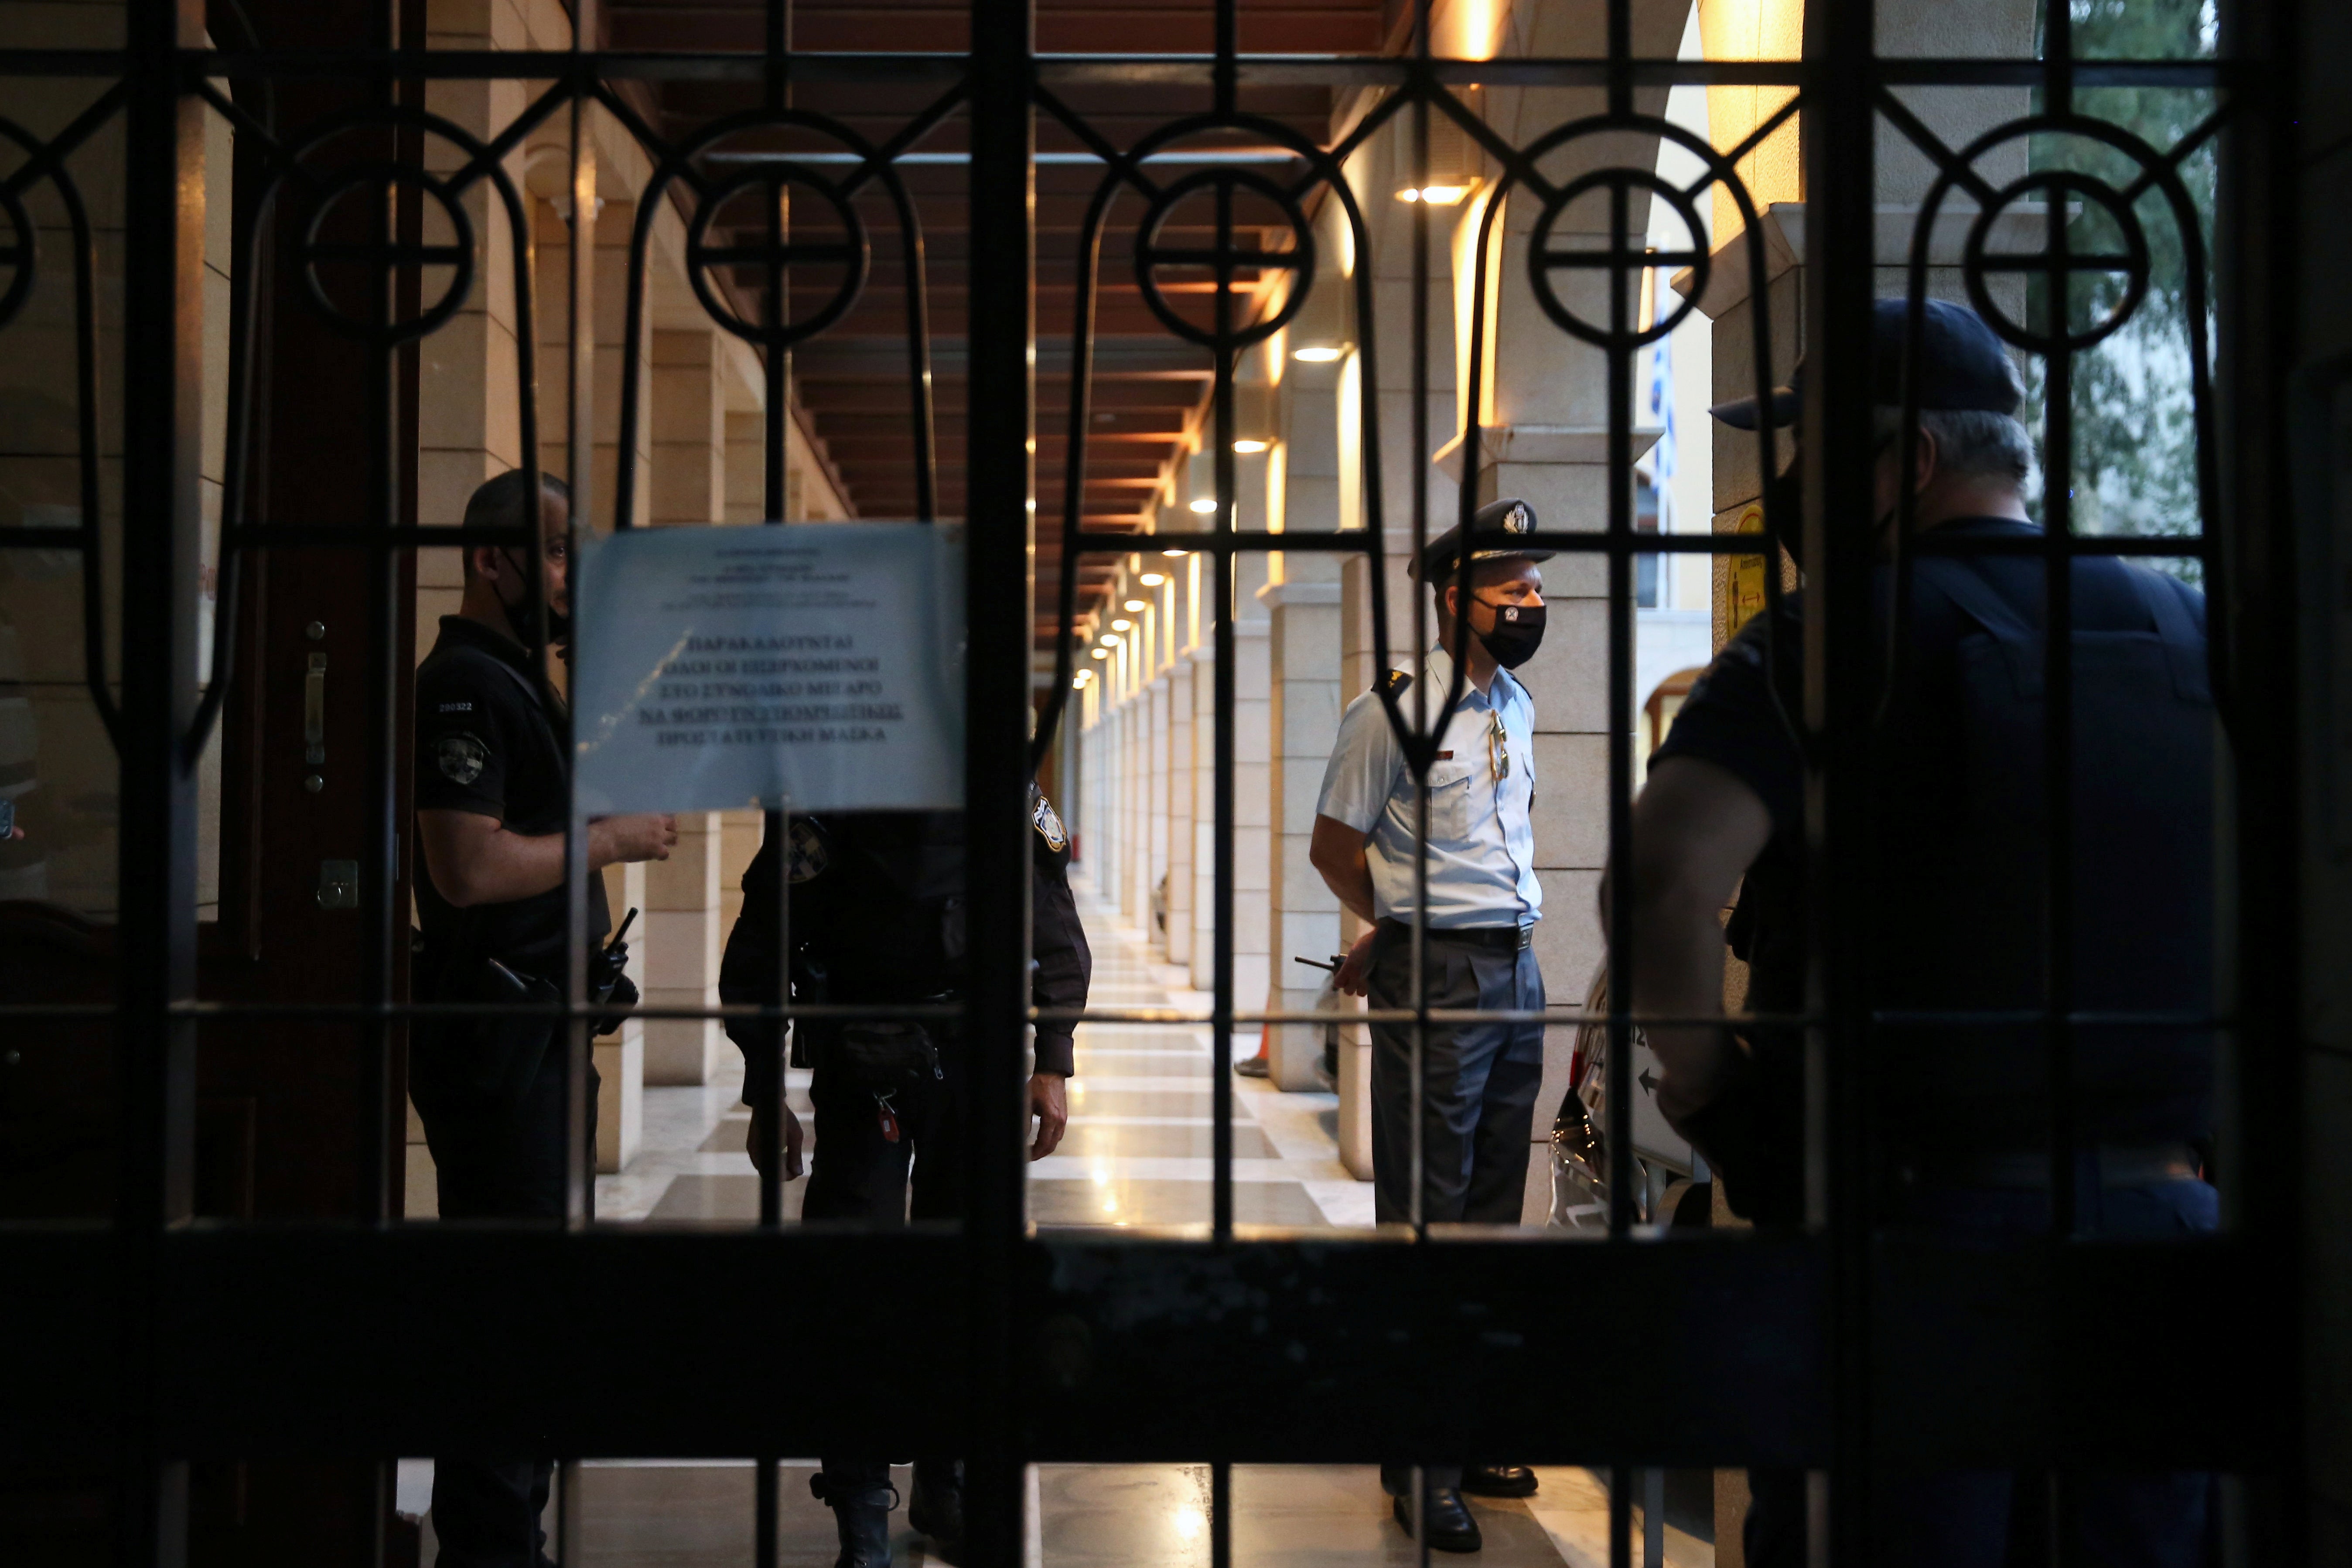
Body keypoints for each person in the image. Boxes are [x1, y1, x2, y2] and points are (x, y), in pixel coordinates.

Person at [1625, 299, 2217, 1566]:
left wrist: (1714, 1094)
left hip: (1911, 1248)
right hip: (2161, 1240)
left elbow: (1664, 878)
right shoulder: (2182, 625)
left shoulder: (1832, 639)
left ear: (1910, 463)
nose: (1792, 485)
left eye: (1809, 452)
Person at [718, 781, 1092, 1568]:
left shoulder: (998, 785)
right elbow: (763, 945)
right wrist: (763, 1091)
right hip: (861, 1053)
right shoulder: (825, 793)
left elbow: (1051, 919)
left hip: (973, 1047)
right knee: (858, 1280)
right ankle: (859, 1506)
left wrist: (1053, 1056)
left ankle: (944, 1472)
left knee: (965, 1274)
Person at [411, 469, 678, 1568]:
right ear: (492, 560)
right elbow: (466, 867)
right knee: (503, 1305)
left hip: (544, 1029)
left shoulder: (527, 682)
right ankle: (487, 1544)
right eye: (559, 553)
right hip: (500, 1037)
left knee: (536, 1300)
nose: (573, 578)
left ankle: (510, 1529)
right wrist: (610, 842)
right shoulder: (467, 685)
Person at [1307, 496, 1550, 1554]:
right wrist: (1395, 927)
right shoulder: (1393, 712)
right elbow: (1333, 845)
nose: (1533, 603)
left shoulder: (1518, 707)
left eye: (1538, 586)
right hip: (1441, 979)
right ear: (1458, 599)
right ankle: (1419, 1465)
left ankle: (1478, 1430)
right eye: (1513, 591)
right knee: (1426, 1217)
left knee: (1494, 1214)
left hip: (1517, 970)